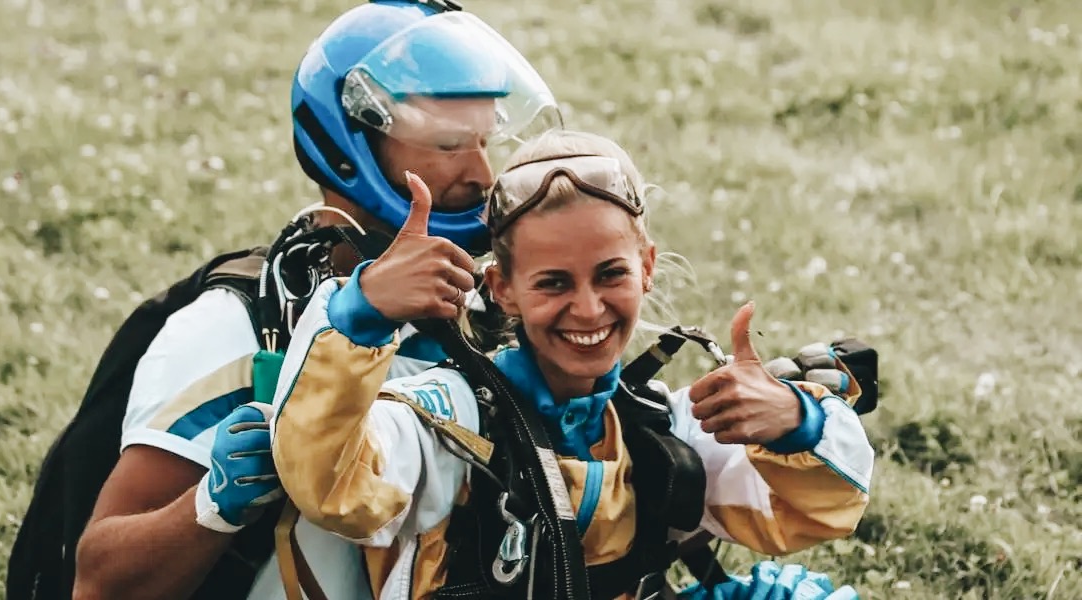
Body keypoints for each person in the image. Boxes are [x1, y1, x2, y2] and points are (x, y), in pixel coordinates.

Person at [69, 2, 563, 598]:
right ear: (350, 148)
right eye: (450, 143)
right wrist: (210, 506)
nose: (483, 173)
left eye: (485, 140)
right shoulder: (237, 330)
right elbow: (98, 583)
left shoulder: (484, 315)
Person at [267, 129, 876, 599]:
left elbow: (818, 511)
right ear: (502, 289)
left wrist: (795, 422)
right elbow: (330, 483)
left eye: (610, 275)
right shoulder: (449, 422)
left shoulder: (659, 426)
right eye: (553, 282)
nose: (588, 309)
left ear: (647, 267)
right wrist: (362, 312)